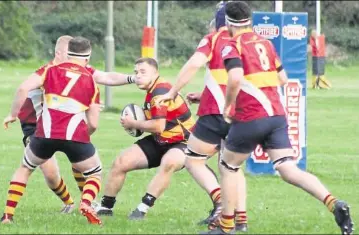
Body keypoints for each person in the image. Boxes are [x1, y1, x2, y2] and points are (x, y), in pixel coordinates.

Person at [203, 2, 353, 234]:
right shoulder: (265, 43)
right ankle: (334, 203)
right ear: (250, 20)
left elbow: (234, 78)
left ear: (228, 23)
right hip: (276, 115)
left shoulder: (231, 45)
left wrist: (229, 105)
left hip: (251, 116)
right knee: (287, 168)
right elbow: (282, 78)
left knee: (228, 166)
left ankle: (227, 226)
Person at [13, 35, 137, 214]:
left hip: (62, 124)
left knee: (80, 159)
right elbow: (32, 92)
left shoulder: (78, 67)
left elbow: (106, 77)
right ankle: (69, 202)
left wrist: (132, 79)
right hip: (35, 125)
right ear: (58, 53)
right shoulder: (48, 71)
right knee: (51, 173)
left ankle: (86, 202)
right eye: (68, 54)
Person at [155, 4, 248, 232]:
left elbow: (194, 64)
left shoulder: (214, 39)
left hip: (217, 112)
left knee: (193, 159)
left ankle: (220, 205)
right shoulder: (250, 41)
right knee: (232, 166)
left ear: (220, 22)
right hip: (245, 111)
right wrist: (204, 93)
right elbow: (232, 79)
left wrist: (173, 91)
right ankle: (241, 220)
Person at [1, 36, 104, 225]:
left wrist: (12, 115)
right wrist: (84, 136)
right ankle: (87, 202)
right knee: (94, 172)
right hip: (75, 137)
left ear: (67, 52)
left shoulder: (49, 70)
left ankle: (8, 215)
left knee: (26, 168)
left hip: (44, 135)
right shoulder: (91, 81)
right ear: (87, 59)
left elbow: (23, 88)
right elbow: (94, 123)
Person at [94, 57, 195, 220]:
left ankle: (142, 209)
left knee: (169, 163)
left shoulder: (159, 92)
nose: (138, 76)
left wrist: (133, 122)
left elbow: (158, 126)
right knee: (121, 162)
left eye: (143, 72)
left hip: (184, 141)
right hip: (161, 140)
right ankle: (105, 208)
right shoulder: (154, 89)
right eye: (136, 72)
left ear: (155, 73)